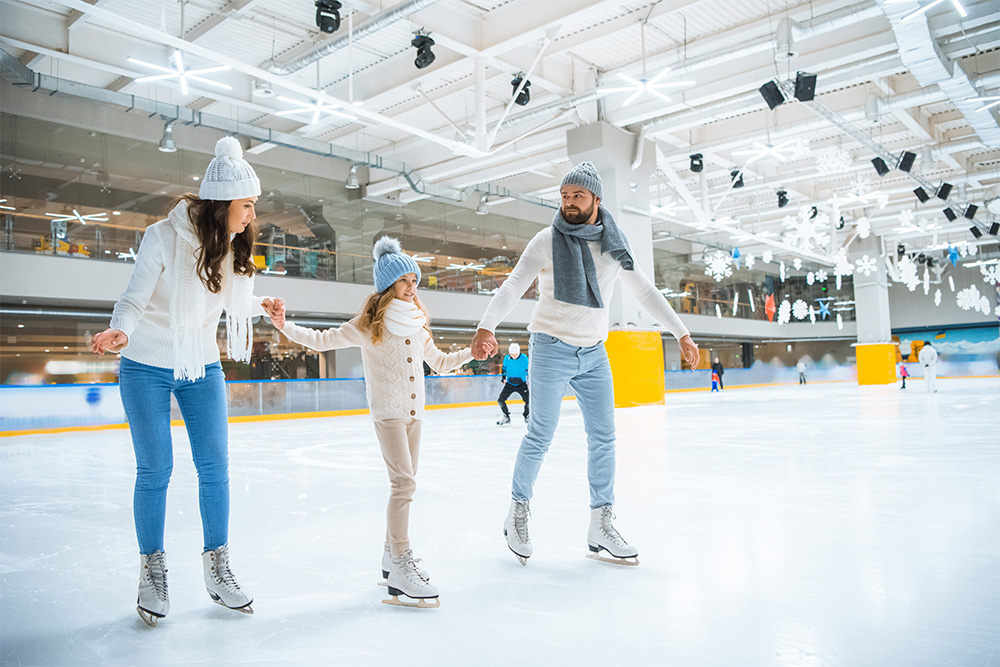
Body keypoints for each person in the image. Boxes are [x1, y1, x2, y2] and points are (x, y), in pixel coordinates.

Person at [471, 161, 699, 567]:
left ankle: (601, 523)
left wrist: (680, 332)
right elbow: (513, 286)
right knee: (540, 434)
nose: (568, 203)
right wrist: (486, 326)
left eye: (577, 196)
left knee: (604, 437)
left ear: (596, 199)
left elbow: (645, 292)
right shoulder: (546, 240)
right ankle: (517, 512)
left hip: (594, 353)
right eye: (563, 196)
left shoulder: (613, 244)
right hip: (550, 347)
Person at [90, 137, 268, 627]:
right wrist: (121, 329)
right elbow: (135, 296)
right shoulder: (161, 236)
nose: (252, 214)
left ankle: (218, 568)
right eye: (247, 205)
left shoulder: (230, 246)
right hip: (146, 362)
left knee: (215, 467)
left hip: (202, 365)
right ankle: (152, 569)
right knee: (156, 471)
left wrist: (261, 305)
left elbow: (225, 301)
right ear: (222, 204)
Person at [265, 237, 471, 608]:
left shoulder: (417, 323)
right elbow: (320, 340)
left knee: (406, 485)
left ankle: (390, 557)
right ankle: (401, 561)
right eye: (405, 281)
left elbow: (439, 362)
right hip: (388, 413)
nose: (413, 287)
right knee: (403, 484)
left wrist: (472, 351)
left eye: (415, 280)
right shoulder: (368, 324)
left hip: (415, 414)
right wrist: (285, 326)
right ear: (388, 284)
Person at [497, 342, 529, 425]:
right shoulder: (507, 358)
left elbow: (529, 369)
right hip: (510, 384)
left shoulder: (524, 358)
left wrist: (529, 381)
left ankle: (527, 415)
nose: (514, 356)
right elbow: (504, 368)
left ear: (519, 352)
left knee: (529, 401)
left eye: (515, 354)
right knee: (501, 400)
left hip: (522, 384)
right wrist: (503, 378)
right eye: (512, 354)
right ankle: (506, 417)